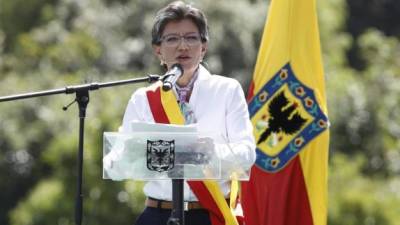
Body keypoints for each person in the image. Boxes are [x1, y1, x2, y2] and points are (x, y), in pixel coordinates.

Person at [120, 1, 256, 225]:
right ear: (158, 50)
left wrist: (207, 153)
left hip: (209, 213)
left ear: (204, 47)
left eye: (191, 38)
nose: (182, 46)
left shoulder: (226, 90)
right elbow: (126, 158)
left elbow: (246, 155)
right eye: (172, 39)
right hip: (157, 214)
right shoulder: (143, 98)